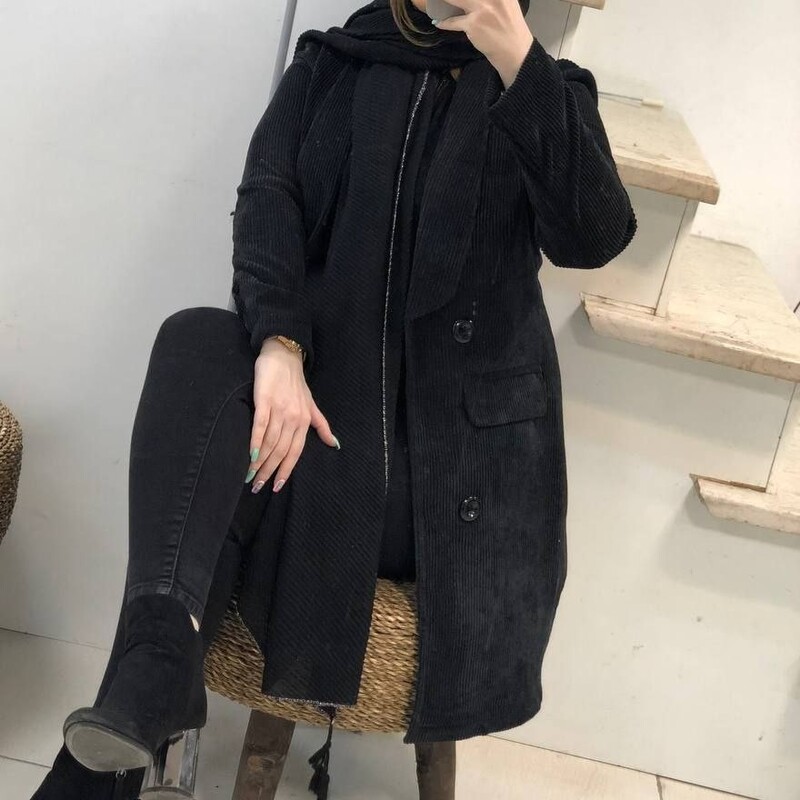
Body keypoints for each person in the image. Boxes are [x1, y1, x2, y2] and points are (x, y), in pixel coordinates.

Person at [30, 0, 636, 797]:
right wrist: (281, 345)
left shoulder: (548, 88)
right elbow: (267, 199)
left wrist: (517, 58)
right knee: (196, 339)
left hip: (449, 483)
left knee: (214, 483)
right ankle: (155, 667)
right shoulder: (334, 62)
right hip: (319, 430)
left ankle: (109, 754)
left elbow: (594, 235)